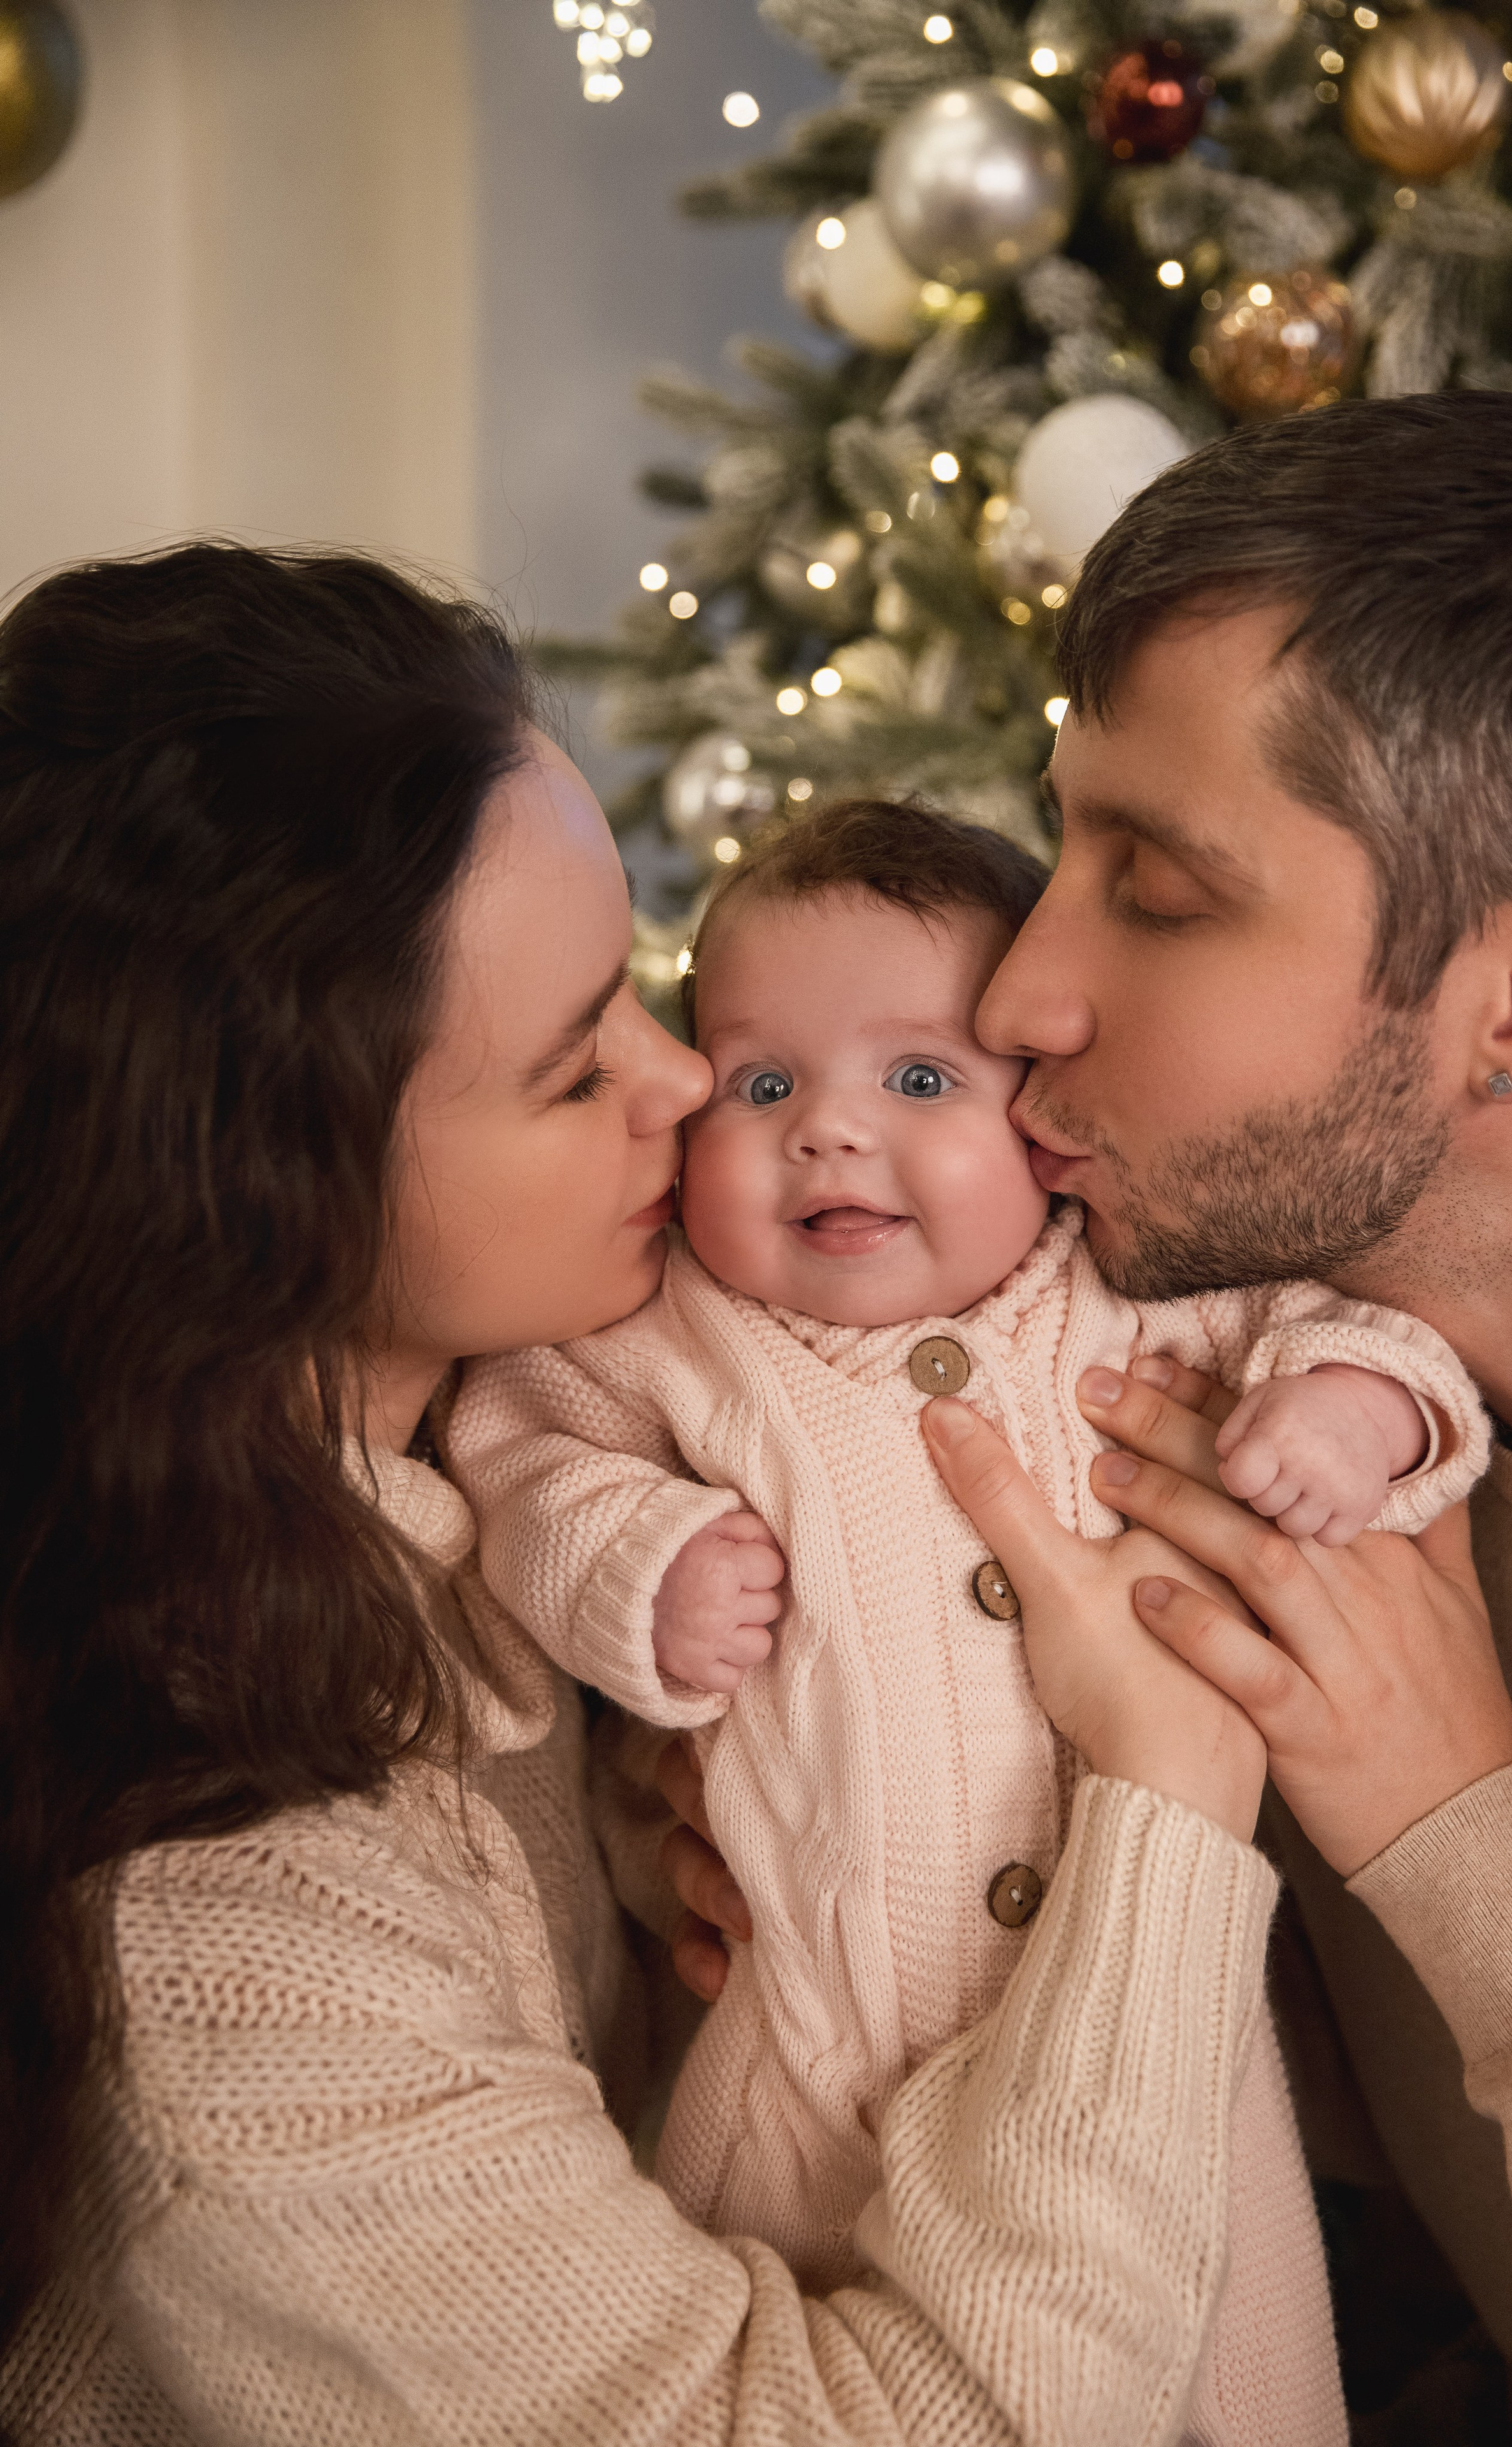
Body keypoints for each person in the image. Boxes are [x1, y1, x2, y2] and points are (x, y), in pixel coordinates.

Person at [0, 540, 1293, 2447]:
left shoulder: (476, 1482)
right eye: (566, 1058)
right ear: (271, 1185)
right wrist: (1177, 1804)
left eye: (648, 987)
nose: (689, 1082)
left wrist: (671, 1817)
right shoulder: (226, 1960)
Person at [450, 796, 1490, 2443]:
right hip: (805, 2068)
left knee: (1222, 2376)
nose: (829, 1133)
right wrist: (636, 1564)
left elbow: (1363, 1329)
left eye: (918, 1079)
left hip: (1160, 2064)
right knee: (811, 2367)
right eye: (760, 1083)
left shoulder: (1140, 1286)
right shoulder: (676, 1335)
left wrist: (1352, 1411)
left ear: (1045, 1122)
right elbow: (516, 1460)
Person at [933, 389, 1512, 2447]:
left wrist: (1449, 1817)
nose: (1018, 999)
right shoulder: (1178, 1359)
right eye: (1061, 838)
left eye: (1155, 889)